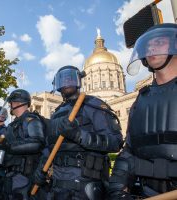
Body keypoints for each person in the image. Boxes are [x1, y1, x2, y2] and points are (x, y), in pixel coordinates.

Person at [108, 23, 177, 199]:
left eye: (160, 42)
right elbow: (129, 150)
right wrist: (117, 188)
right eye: (148, 45)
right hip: (148, 192)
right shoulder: (141, 99)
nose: (152, 47)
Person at [34, 65, 123, 200]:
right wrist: (41, 170)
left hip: (85, 185)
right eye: (62, 80)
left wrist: (79, 135)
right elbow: (49, 146)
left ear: (78, 80)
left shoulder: (93, 105)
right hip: (57, 186)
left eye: (70, 79)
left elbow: (115, 142)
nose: (66, 83)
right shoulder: (57, 113)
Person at [0, 89, 46, 200]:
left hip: (24, 175)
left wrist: (9, 147)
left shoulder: (31, 120)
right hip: (11, 173)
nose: (10, 105)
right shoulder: (14, 124)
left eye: (11, 103)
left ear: (18, 103)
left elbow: (36, 143)